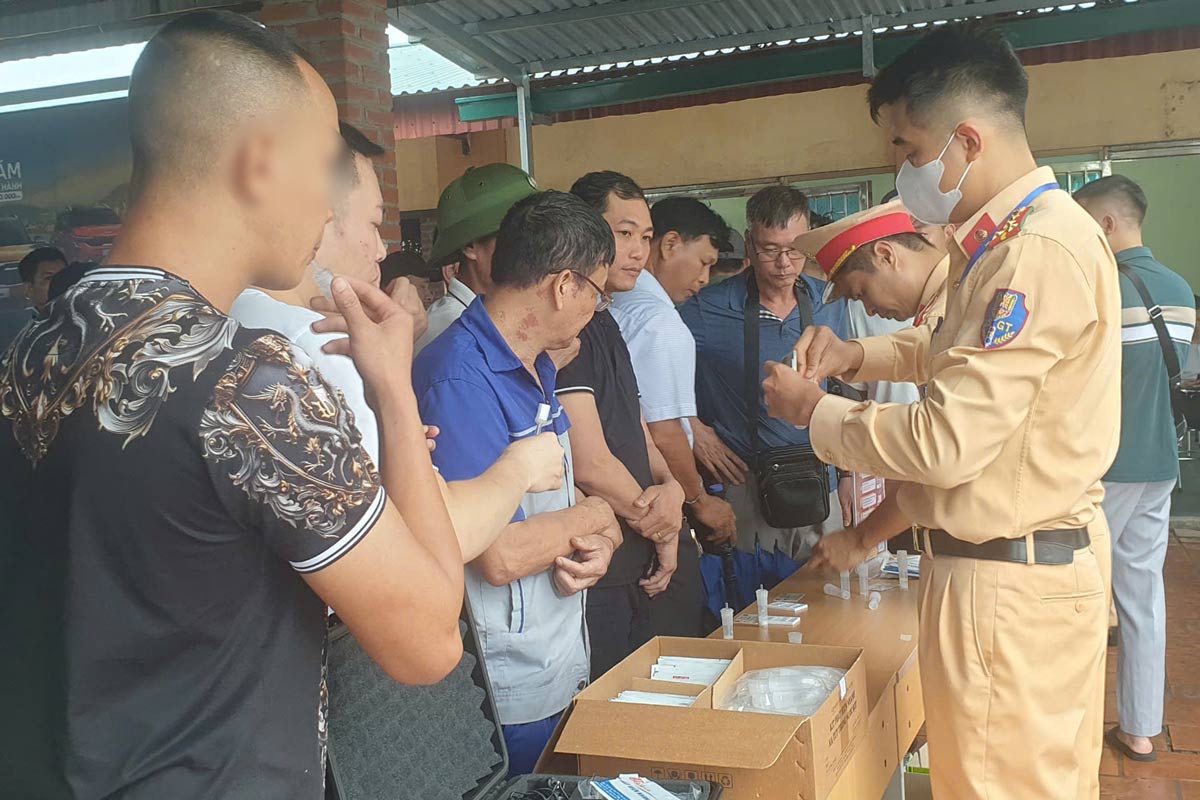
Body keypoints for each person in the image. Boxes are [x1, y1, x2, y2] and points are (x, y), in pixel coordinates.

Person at [0, 11, 468, 799]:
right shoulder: (246, 381)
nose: (329, 205)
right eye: (326, 168)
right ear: (259, 163)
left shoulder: (29, 351)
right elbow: (425, 643)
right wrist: (391, 389)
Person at [762, 22, 1120, 800]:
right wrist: (858, 357)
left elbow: (948, 441)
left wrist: (816, 414)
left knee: (995, 786)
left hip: (1009, 582)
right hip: (1008, 570)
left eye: (906, 149)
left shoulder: (1034, 253)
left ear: (964, 139)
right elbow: (948, 355)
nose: (902, 171)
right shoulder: (1003, 245)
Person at [230, 122, 565, 570]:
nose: (383, 250)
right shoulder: (327, 349)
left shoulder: (237, 313)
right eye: (373, 222)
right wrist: (521, 467)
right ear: (320, 214)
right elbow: (438, 537)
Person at [412, 190, 622, 775]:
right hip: (505, 683)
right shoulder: (460, 377)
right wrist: (596, 518)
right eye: (597, 293)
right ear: (564, 286)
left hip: (554, 657)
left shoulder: (537, 364)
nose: (597, 309)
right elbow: (497, 553)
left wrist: (602, 538)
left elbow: (557, 500)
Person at [560, 171, 704, 678]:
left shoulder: (608, 319)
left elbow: (638, 426)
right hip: (605, 567)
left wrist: (671, 487)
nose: (638, 251)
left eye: (645, 237)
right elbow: (590, 462)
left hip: (641, 549)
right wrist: (661, 525)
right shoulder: (568, 326)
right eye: (623, 234)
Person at [1074, 175, 1195, 762]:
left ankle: (1070, 727)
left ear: (1107, 226)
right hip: (1160, 464)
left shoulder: (1101, 288)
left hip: (1105, 467)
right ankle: (1141, 728)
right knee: (1143, 596)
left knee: (1079, 599)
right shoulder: (1181, 290)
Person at [679, 186, 850, 560]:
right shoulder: (706, 309)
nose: (785, 263)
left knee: (828, 596)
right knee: (753, 601)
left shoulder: (831, 302)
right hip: (746, 484)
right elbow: (646, 379)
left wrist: (850, 477)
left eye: (795, 249)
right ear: (749, 246)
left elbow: (845, 388)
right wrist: (693, 428)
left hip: (823, 479)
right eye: (771, 250)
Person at [609, 197, 739, 550]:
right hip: (651, 495)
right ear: (669, 244)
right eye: (703, 262)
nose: (704, 278)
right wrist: (698, 501)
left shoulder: (615, 300)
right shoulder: (660, 322)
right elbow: (663, 430)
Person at [416, 163, 538, 353]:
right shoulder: (450, 330)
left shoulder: (492, 317)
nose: (534, 246)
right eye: (518, 234)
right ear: (470, 246)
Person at [17, 246, 67, 314]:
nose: (60, 282)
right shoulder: (22, 323)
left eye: (64, 276)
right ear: (29, 289)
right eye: (49, 278)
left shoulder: (84, 317)